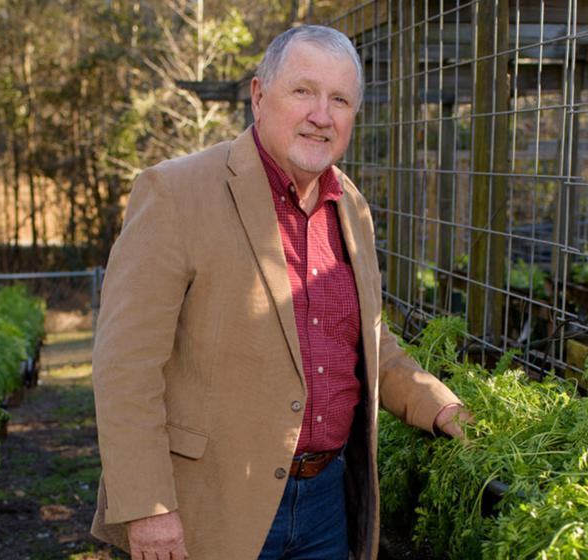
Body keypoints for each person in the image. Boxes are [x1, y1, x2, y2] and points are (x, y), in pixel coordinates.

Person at [90, 24, 473, 560]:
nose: (322, 114)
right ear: (259, 95)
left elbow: (367, 341)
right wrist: (149, 509)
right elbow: (124, 366)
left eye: (339, 99)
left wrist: (441, 407)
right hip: (212, 506)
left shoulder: (352, 208)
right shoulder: (176, 192)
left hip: (325, 505)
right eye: (304, 91)